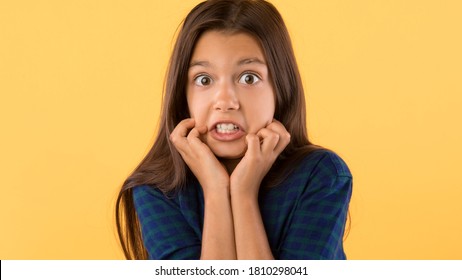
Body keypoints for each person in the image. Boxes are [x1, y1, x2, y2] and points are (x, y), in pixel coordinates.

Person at [116, 0, 352, 260]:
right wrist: (217, 191)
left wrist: (243, 195)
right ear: (183, 96)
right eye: (204, 79)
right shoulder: (157, 189)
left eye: (248, 78)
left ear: (280, 88)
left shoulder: (322, 176)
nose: (225, 101)